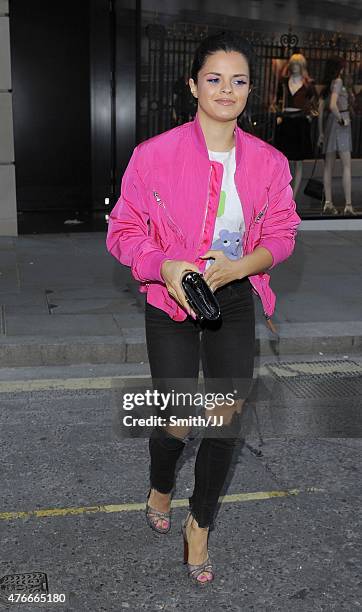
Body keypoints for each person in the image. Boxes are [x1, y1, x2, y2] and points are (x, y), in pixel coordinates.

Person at [106, 31, 301, 586]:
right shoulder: (153, 156)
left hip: (234, 297)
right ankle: (161, 481)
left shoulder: (268, 161)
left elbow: (284, 233)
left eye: (239, 81)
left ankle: (201, 523)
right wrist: (164, 265)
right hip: (171, 298)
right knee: (175, 416)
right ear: (193, 85)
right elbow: (123, 231)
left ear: (249, 92)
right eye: (214, 79)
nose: (227, 90)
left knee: (223, 419)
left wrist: (241, 266)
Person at [274, 53, 318, 199]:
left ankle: (293, 197)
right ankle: (282, 194)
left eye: (298, 64)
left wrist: (310, 114)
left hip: (300, 123)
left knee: (298, 162)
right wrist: (278, 115)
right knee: (283, 160)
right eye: (293, 64)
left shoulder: (308, 84)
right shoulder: (284, 82)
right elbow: (278, 101)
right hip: (286, 121)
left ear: (302, 66)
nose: (295, 67)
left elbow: (314, 105)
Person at [318, 56, 357, 216]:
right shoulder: (339, 82)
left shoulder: (331, 84)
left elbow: (323, 108)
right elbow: (333, 104)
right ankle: (348, 205)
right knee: (346, 165)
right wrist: (342, 119)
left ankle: (328, 203)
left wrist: (321, 132)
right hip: (340, 123)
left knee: (329, 166)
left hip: (331, 124)